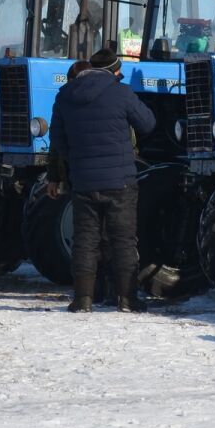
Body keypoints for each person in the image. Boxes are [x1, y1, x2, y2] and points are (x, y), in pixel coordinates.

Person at [48, 45, 155, 312]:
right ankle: (127, 299)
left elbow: (58, 140)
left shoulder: (64, 95)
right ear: (114, 70)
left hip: (83, 181)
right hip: (120, 181)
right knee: (123, 240)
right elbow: (148, 124)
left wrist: (76, 163)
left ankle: (83, 298)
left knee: (85, 239)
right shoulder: (121, 93)